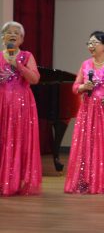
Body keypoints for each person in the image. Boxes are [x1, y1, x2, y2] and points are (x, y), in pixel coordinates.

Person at [64, 31, 104, 194]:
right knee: (88, 144)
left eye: (94, 43)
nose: (91, 46)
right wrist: (83, 87)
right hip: (88, 110)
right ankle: (85, 180)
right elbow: (75, 87)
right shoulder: (85, 64)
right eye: (89, 43)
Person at [0, 21, 41, 196]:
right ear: (3, 37)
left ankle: (15, 181)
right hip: (2, 102)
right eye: (8, 32)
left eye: (17, 33)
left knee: (18, 140)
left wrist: (19, 66)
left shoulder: (26, 56)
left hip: (21, 104)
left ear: (22, 39)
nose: (12, 35)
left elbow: (35, 79)